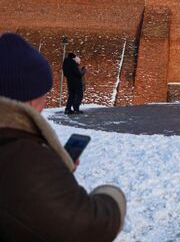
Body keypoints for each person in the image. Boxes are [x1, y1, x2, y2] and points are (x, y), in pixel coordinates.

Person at [0, 33, 126, 241]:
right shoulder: (21, 158)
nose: (45, 103)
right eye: (44, 94)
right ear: (29, 96)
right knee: (74, 98)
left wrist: (53, 169)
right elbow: (89, 227)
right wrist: (112, 195)